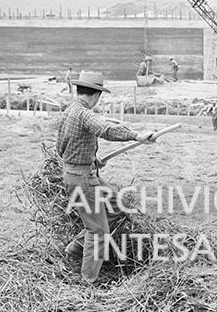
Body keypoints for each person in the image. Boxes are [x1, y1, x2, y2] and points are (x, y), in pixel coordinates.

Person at [56, 70, 157, 285]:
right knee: (99, 232)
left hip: (79, 173)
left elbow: (61, 148)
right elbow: (105, 129)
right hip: (83, 181)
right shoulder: (84, 114)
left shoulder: (69, 112)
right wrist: (136, 135)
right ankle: (88, 280)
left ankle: (75, 248)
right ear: (96, 95)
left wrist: (91, 159)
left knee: (116, 204)